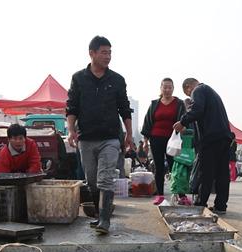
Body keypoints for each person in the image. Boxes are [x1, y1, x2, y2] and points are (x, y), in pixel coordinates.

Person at [66, 36, 133, 235]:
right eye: (104, 52)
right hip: (86, 138)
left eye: (110, 52)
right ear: (92, 53)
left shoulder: (117, 80)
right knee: (92, 180)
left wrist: (129, 134)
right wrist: (71, 130)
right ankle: (98, 215)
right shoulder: (78, 78)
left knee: (105, 178)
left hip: (111, 138)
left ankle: (105, 219)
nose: (108, 56)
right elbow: (72, 106)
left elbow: (125, 109)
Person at [174, 78, 232, 215]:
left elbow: (197, 110)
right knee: (222, 174)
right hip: (224, 137)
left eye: (188, 94)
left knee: (206, 173)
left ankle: (200, 203)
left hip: (211, 138)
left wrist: (182, 122)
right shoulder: (211, 91)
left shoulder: (198, 90)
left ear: (188, 87)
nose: (190, 97)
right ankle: (221, 206)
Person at [141, 77, 186, 205]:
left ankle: (181, 195)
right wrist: (145, 141)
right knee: (159, 167)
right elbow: (147, 123)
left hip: (173, 140)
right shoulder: (154, 104)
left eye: (169, 87)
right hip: (156, 139)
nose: (167, 89)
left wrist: (184, 130)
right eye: (164, 87)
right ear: (161, 88)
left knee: (174, 167)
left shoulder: (179, 103)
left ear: (173, 88)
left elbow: (184, 120)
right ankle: (160, 195)